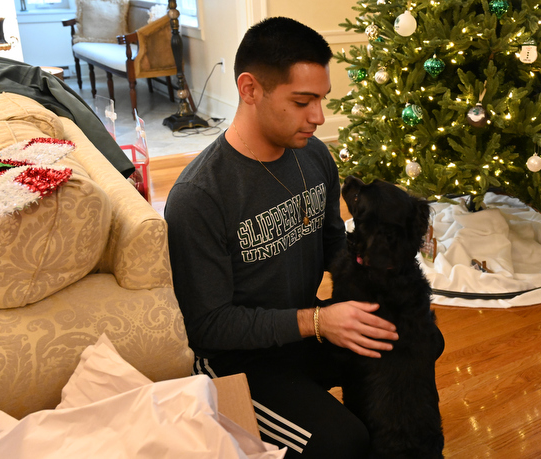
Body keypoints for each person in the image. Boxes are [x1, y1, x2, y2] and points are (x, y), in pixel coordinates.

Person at [164, 17, 399, 458]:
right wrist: (318, 321)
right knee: (343, 443)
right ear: (250, 89)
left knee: (414, 339)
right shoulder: (198, 197)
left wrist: (380, 268)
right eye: (302, 101)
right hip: (235, 361)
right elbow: (208, 325)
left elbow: (331, 241)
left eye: (321, 99)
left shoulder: (312, 155)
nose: (319, 117)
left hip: (300, 329)